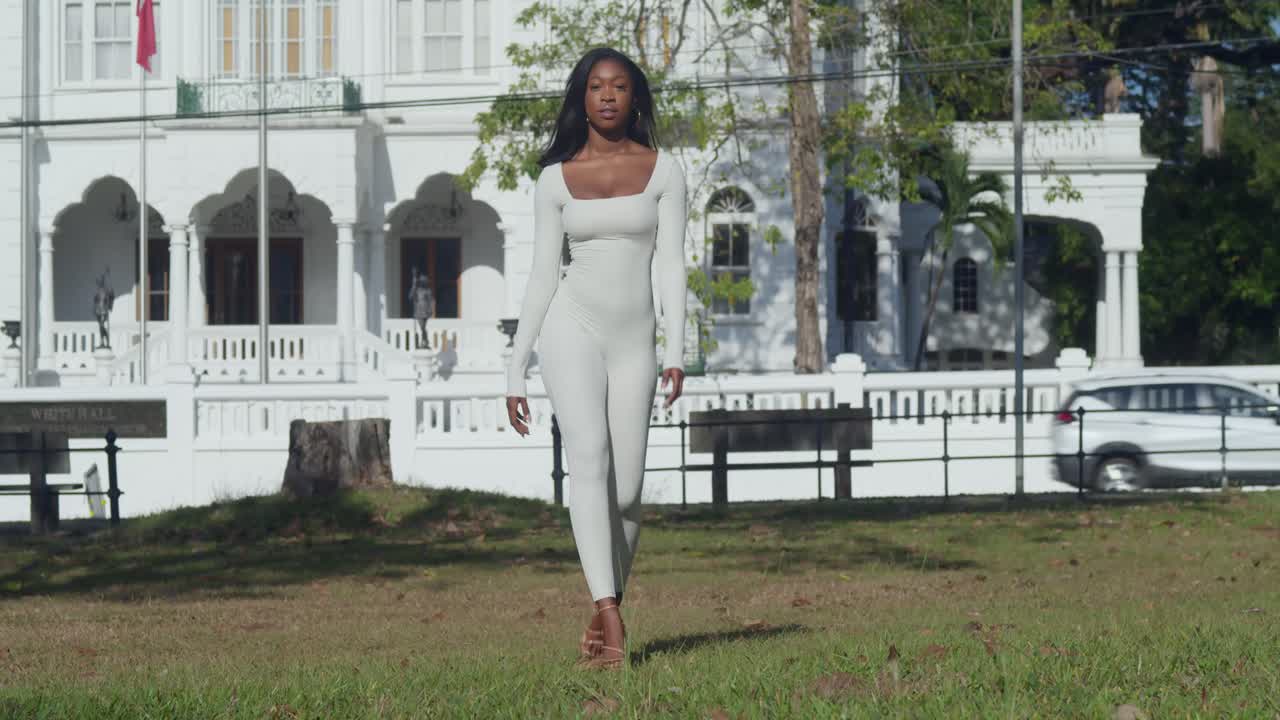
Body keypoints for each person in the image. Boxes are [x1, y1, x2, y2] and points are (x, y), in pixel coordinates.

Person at [504, 47, 687, 671]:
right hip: (570, 328)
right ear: (581, 97)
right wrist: (515, 365)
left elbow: (671, 265)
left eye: (620, 86)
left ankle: (605, 604)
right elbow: (539, 277)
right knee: (589, 460)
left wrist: (676, 349)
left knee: (629, 490)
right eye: (595, 87)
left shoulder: (664, 170)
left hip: (635, 340)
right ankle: (610, 613)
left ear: (634, 97)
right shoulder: (553, 179)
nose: (607, 96)